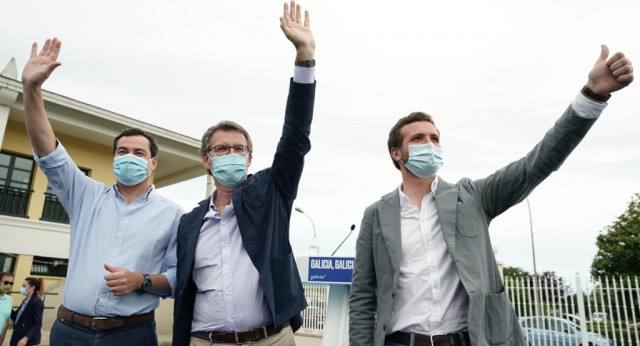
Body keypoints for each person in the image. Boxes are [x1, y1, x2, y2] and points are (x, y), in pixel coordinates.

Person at [349, 45, 634, 346]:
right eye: (418, 139)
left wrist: (593, 95)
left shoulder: (472, 197)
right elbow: (363, 296)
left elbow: (535, 164)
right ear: (397, 153)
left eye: (435, 138)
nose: (429, 144)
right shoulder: (377, 215)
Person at [21, 38, 183, 346]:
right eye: (122, 151)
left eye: (138, 152)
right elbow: (49, 152)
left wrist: (141, 281)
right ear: (113, 159)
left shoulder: (173, 214)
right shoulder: (85, 195)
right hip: (70, 331)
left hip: (131, 334)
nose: (129, 157)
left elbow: (177, 278)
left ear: (152, 163)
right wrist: (32, 90)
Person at [172, 2, 316, 345]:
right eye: (221, 149)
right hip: (206, 340)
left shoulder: (271, 192)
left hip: (270, 338)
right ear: (207, 160)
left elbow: (295, 138)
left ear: (250, 159)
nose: (231, 154)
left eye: (239, 149)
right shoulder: (189, 223)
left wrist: (305, 56)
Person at [10, 278, 44, 346]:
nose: (21, 288)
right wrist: (7, 305)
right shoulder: (25, 300)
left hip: (26, 341)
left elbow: (38, 324)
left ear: (32, 288)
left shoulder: (37, 302)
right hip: (17, 337)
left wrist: (26, 338)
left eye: (24, 286)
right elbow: (15, 317)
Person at [0, 272, 14, 345]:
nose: (8, 285)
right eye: (6, 282)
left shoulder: (9, 300)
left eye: (11, 283)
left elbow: (6, 321)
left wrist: (1, 340)